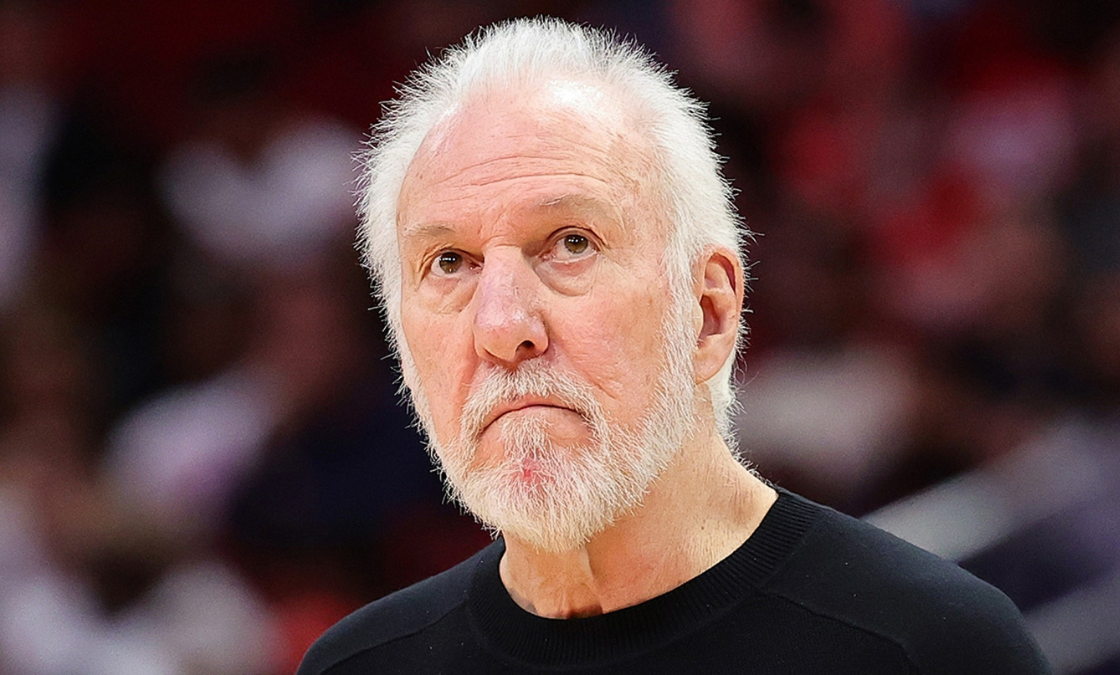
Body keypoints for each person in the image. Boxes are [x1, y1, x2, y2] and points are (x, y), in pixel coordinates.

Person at [298, 18, 1050, 675]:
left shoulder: (930, 649)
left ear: (709, 311)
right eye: (449, 262)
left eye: (570, 242)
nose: (500, 325)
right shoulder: (359, 667)